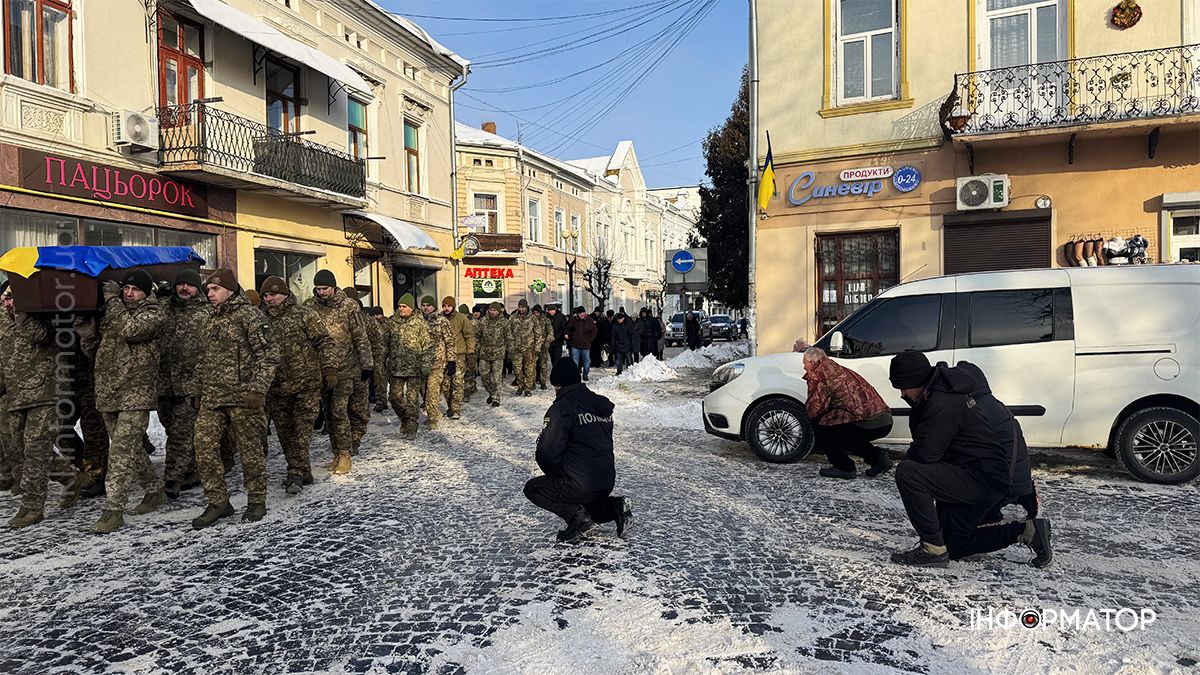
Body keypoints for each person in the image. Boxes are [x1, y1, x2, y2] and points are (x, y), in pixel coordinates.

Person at [887, 351, 1051, 568]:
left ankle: (932, 549)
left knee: (908, 473)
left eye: (904, 386)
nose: (903, 393)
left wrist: (911, 456)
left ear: (916, 380)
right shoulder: (940, 394)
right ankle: (1027, 531)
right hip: (978, 476)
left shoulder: (941, 402)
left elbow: (927, 454)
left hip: (980, 479)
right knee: (955, 545)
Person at [191, 269, 280, 529]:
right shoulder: (210, 319)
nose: (210, 294)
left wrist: (258, 390)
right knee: (203, 446)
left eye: (215, 289)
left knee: (251, 451)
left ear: (229, 290)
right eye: (208, 290)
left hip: (244, 398)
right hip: (213, 397)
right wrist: (198, 388)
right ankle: (218, 501)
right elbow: (203, 358)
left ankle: (256, 500)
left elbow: (269, 356)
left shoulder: (250, 316)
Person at [80, 271, 167, 533]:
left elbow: (131, 330)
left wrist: (112, 300)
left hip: (135, 394)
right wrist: (86, 334)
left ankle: (113, 510)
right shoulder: (112, 313)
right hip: (109, 391)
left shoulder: (155, 312)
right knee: (131, 449)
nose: (128, 293)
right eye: (125, 288)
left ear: (146, 292)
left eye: (134, 289)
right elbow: (96, 351)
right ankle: (153, 490)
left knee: (119, 452)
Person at [523, 357, 633, 543]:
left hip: (579, 484)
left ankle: (577, 520)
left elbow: (548, 453)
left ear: (558, 385)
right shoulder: (600, 405)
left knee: (533, 489)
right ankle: (615, 506)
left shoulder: (560, 409)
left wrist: (556, 476)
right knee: (588, 506)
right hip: (605, 480)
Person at [260, 276, 336, 495]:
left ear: (285, 294)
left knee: (302, 431)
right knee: (285, 434)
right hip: (277, 386)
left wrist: (329, 368)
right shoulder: (260, 319)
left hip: (306, 384)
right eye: (265, 295)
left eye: (273, 294)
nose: (269, 298)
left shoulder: (304, 315)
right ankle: (304, 469)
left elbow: (324, 341)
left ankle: (294, 474)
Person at [304, 270, 373, 474]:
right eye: (318, 289)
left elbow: (360, 336)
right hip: (322, 370)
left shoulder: (348, 306)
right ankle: (336, 453)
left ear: (333, 286)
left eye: (324, 288)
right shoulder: (310, 306)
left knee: (339, 411)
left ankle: (345, 454)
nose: (321, 292)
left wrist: (366, 364)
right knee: (328, 415)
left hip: (346, 369)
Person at [157, 270, 212, 500]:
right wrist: (161, 298)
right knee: (171, 427)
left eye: (190, 285)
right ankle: (193, 470)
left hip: (191, 384)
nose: (185, 289)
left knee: (181, 433)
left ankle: (173, 479)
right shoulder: (165, 311)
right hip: (164, 383)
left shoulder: (207, 313)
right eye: (181, 285)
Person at [802, 347, 893, 479]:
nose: (804, 367)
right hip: (884, 419)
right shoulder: (838, 369)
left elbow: (815, 408)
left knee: (822, 427)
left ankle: (844, 467)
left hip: (867, 422)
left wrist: (807, 420)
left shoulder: (819, 375)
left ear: (811, 363)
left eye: (804, 363)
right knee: (846, 434)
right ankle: (879, 460)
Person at [382, 294, 432, 440]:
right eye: (400, 306)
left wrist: (426, 364)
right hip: (396, 367)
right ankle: (404, 418)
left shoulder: (420, 323)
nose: (401, 309)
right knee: (394, 397)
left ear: (411, 308)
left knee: (412, 399)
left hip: (414, 368)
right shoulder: (392, 323)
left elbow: (427, 346)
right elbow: (385, 344)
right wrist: (382, 360)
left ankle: (412, 425)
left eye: (404, 307)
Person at [342, 289, 381, 457]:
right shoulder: (337, 320)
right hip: (340, 371)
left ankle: (355, 439)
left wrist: (373, 366)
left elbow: (377, 344)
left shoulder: (367, 322)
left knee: (359, 408)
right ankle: (343, 443)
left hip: (360, 370)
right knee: (339, 409)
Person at [418, 295, 453, 430]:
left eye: (428, 305)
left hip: (437, 362)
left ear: (434, 307)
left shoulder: (442, 321)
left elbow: (450, 342)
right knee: (423, 390)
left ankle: (432, 418)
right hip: (421, 362)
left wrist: (451, 361)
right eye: (424, 305)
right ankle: (431, 411)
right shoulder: (418, 321)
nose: (426, 308)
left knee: (432, 390)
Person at [441, 296, 475, 420]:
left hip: (459, 355)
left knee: (457, 382)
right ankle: (449, 406)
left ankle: (456, 408)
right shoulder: (439, 319)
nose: (446, 308)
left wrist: (470, 352)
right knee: (446, 385)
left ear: (453, 306)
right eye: (444, 306)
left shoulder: (461, 318)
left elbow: (469, 336)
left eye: (449, 306)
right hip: (443, 356)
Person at [477, 302, 511, 407]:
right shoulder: (483, 321)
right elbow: (477, 335)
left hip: (498, 353)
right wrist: (477, 348)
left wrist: (508, 351)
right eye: (490, 310)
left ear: (499, 311)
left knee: (497, 378)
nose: (492, 312)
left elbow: (509, 337)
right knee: (484, 376)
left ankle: (496, 398)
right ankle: (491, 393)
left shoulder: (504, 322)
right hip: (484, 353)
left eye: (494, 310)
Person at [508, 299, 539, 397]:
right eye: (519, 307)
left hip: (529, 348)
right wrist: (510, 345)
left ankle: (527, 388)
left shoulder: (533, 318)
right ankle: (520, 385)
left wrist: (537, 347)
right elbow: (508, 332)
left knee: (529, 370)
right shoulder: (513, 318)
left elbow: (538, 334)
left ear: (526, 307)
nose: (521, 309)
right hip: (516, 348)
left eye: (523, 307)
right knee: (517, 369)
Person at [566, 306, 597, 381]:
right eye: (579, 313)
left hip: (586, 345)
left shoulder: (589, 320)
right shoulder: (573, 320)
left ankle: (585, 374)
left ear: (585, 312)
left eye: (582, 313)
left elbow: (594, 330)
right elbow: (568, 328)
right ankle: (576, 376)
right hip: (575, 345)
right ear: (577, 314)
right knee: (575, 363)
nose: (581, 315)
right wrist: (567, 334)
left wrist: (590, 339)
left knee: (586, 363)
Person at [369, 307, 389, 413]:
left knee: (381, 380)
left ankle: (382, 401)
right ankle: (379, 401)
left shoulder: (387, 324)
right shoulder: (371, 324)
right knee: (377, 380)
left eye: (378, 315)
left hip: (384, 356)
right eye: (374, 315)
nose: (376, 317)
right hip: (374, 356)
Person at [533, 304, 554, 391]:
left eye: (537, 312)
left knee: (543, 366)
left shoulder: (546, 320)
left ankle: (543, 382)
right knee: (532, 366)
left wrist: (548, 341)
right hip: (532, 346)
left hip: (543, 346)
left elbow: (550, 332)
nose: (536, 314)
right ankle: (532, 382)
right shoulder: (530, 320)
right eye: (534, 312)